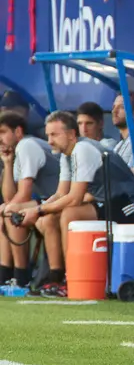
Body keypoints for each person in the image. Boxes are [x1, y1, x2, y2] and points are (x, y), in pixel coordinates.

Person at [17, 111, 134, 297]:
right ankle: (54, 278)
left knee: (69, 214)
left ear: (71, 134)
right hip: (106, 203)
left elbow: (74, 198)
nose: (49, 141)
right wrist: (39, 211)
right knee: (49, 219)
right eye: (48, 135)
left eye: (54, 135)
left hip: (127, 205)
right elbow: (60, 193)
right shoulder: (67, 154)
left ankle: (71, 278)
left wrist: (38, 209)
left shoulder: (82, 149)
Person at [0, 112, 59, 287]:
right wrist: (8, 163)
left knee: (10, 211)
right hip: (46, 200)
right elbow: (10, 197)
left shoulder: (26, 145)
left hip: (58, 198)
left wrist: (7, 207)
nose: (0, 139)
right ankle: (5, 275)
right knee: (6, 209)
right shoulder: (15, 152)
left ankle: (20, 276)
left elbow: (23, 195)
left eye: (3, 132)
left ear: (18, 132)